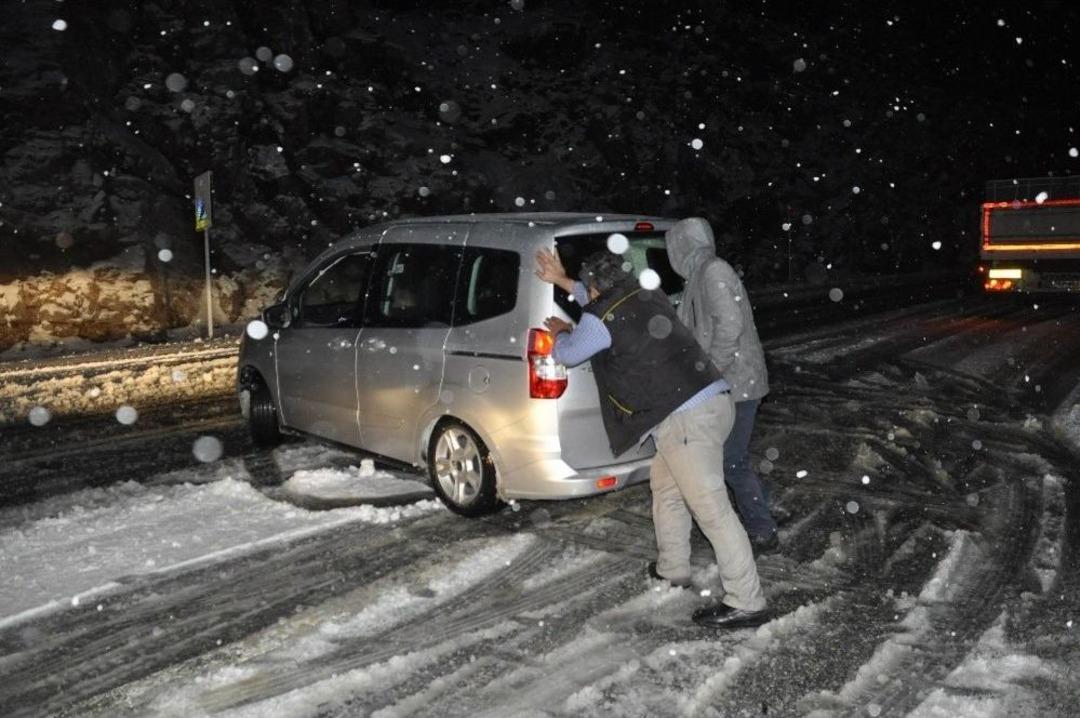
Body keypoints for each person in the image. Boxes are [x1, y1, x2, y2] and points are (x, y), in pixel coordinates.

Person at [536, 248, 768, 629]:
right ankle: (672, 568)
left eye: (588, 291)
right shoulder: (646, 295)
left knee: (713, 512)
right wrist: (562, 280)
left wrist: (561, 331)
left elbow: (570, 353)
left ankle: (747, 600)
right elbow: (597, 301)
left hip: (685, 420)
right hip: (711, 401)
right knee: (667, 489)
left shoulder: (600, 316)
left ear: (595, 290)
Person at [665, 217, 779, 555]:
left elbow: (730, 325)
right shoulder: (699, 276)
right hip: (728, 384)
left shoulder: (713, 271)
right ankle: (761, 513)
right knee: (728, 458)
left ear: (681, 246)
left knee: (730, 460)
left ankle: (762, 530)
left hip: (737, 383)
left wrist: (711, 370)